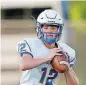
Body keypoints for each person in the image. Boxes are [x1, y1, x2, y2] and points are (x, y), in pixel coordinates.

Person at [17, 9, 79, 85]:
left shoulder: (66, 50)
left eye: (53, 28)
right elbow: (24, 65)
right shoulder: (30, 44)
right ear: (40, 29)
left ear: (59, 29)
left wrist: (67, 67)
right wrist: (48, 57)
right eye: (46, 28)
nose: (49, 31)